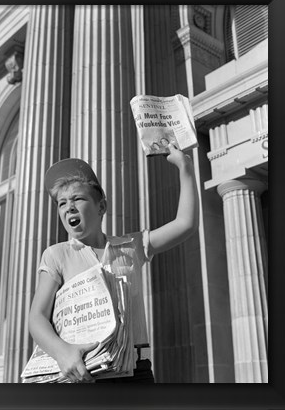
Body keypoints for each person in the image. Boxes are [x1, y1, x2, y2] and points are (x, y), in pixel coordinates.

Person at [28, 143, 199, 383]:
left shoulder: (131, 245)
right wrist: (62, 353)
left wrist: (185, 168)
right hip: (83, 370)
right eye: (62, 203)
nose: (69, 208)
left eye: (77, 198)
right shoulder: (56, 255)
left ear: (101, 207)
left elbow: (185, 224)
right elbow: (36, 317)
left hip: (135, 372)